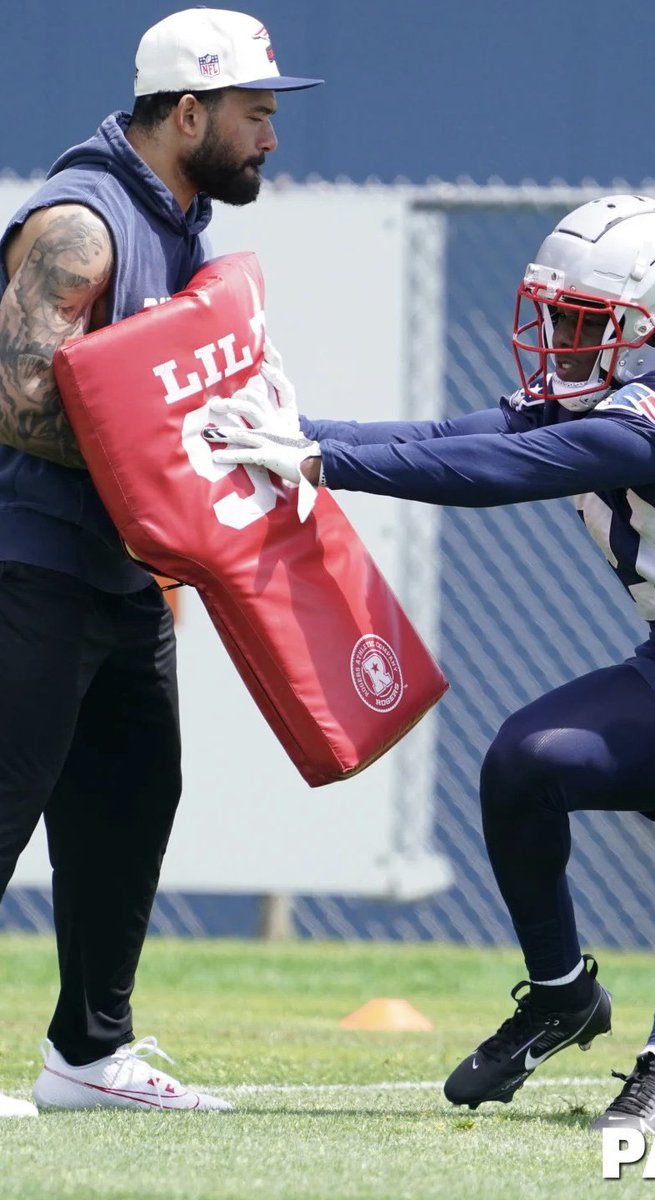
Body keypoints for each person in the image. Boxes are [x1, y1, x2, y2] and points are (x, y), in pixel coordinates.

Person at [207, 194, 655, 1132]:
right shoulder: (608, 398)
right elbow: (454, 438)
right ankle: (562, 995)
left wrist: (323, 460)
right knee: (521, 762)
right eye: (554, 314)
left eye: (585, 324)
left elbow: (498, 474)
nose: (558, 340)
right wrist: (299, 434)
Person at [0, 9, 320, 1117]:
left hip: (119, 572)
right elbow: (17, 402)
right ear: (189, 112)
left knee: (134, 796)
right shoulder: (83, 220)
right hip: (26, 558)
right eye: (256, 113)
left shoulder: (179, 221)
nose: (271, 137)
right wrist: (179, 443)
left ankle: (88, 1056)